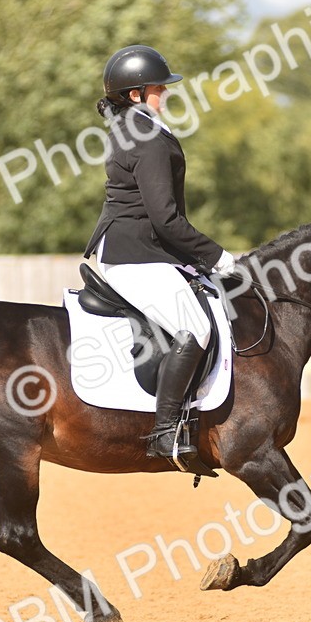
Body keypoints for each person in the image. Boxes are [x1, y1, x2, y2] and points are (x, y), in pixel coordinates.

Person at [83, 45, 235, 465]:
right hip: (137, 255)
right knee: (196, 328)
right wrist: (217, 256)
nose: (164, 94)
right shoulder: (146, 136)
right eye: (157, 88)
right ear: (135, 94)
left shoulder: (135, 127)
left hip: (139, 250)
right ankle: (165, 433)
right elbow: (166, 219)